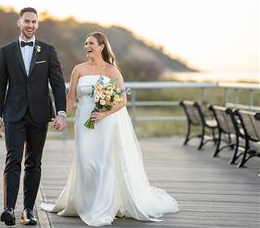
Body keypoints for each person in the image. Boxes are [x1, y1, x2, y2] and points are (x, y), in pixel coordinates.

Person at [40, 31, 179, 226]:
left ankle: (101, 207)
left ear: (101, 46)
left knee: (103, 163)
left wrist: (104, 114)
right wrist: (62, 116)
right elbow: (71, 97)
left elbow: (122, 100)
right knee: (84, 162)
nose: (87, 46)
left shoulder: (111, 71)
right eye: (86, 43)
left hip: (105, 123)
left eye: (91, 43)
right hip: (84, 122)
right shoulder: (78, 69)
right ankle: (84, 204)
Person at [0, 7, 67, 226]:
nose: (30, 25)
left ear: (37, 24)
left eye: (34, 22)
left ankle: (28, 210)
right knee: (12, 160)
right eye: (27, 21)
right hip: (13, 114)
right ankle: (8, 208)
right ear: (19, 23)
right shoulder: (6, 51)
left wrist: (60, 112)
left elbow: (58, 84)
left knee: (34, 163)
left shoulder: (49, 50)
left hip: (39, 114)